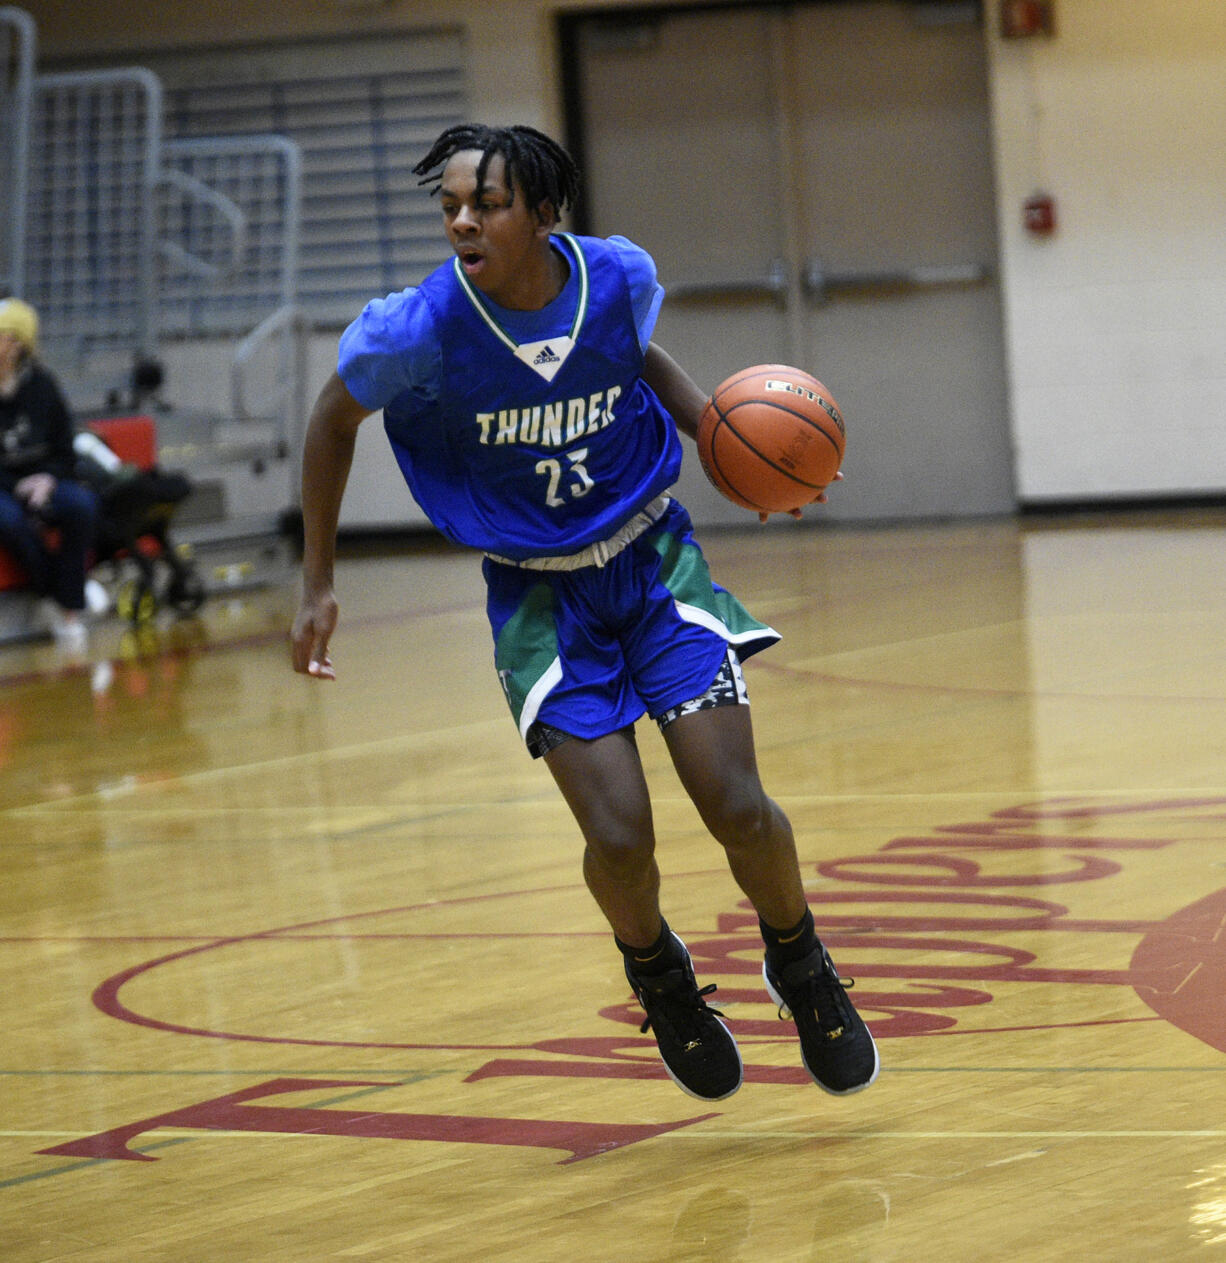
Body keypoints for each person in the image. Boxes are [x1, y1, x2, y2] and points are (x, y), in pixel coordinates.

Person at [290, 123, 878, 1102]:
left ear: (546, 214)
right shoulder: (415, 331)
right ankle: (657, 973)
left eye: (486, 204)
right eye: (449, 206)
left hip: (653, 563)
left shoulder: (614, 275)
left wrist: (723, 438)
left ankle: (800, 960)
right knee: (618, 838)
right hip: (536, 596)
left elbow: (631, 356)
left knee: (733, 801)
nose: (461, 221)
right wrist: (315, 581)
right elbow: (328, 421)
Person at [0, 298, 100, 651]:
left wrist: (47, 479)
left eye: (3, 337)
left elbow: (64, 447)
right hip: (3, 485)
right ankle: (56, 592)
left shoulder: (42, 385)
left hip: (43, 478)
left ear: (17, 344)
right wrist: (17, 486)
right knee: (8, 520)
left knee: (81, 505)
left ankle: (70, 607)